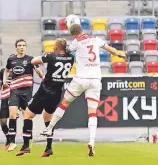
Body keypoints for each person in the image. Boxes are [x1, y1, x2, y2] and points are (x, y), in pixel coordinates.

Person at [41, 24, 126, 157]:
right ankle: (91, 142)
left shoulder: (76, 42)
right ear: (82, 30)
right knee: (92, 113)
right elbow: (111, 50)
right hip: (95, 80)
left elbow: (64, 50)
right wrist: (119, 54)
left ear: (73, 34)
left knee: (64, 104)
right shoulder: (95, 39)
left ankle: (49, 128)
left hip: (80, 79)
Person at [16, 38, 74, 157]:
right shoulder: (71, 58)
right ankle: (48, 148)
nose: (53, 47)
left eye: (54, 45)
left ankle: (26, 145)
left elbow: (33, 61)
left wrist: (43, 58)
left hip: (45, 91)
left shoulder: (51, 56)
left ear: (57, 47)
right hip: (57, 93)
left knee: (27, 115)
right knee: (48, 119)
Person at [3, 39, 43, 152]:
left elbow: (40, 73)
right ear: (16, 47)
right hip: (15, 90)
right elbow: (6, 70)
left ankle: (27, 141)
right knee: (12, 114)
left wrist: (40, 73)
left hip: (27, 92)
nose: (22, 47)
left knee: (27, 116)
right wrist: (5, 80)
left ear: (26, 47)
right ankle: (12, 142)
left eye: (24, 45)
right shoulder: (11, 59)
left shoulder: (31, 59)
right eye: (19, 45)